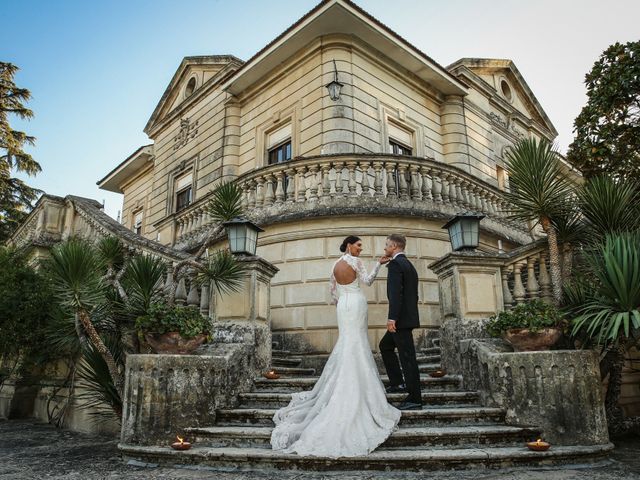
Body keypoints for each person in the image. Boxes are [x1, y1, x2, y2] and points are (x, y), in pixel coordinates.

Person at [270, 235, 401, 458]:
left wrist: (342, 301)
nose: (361, 248)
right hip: (357, 302)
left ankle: (341, 382)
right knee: (356, 343)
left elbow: (333, 291)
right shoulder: (355, 262)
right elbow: (367, 281)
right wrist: (378, 265)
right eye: (359, 245)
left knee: (347, 342)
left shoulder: (334, 264)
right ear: (349, 245)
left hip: (343, 306)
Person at [379, 234, 423, 410]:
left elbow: (396, 295)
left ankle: (415, 398)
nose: (385, 248)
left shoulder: (396, 265)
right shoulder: (409, 265)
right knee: (385, 346)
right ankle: (397, 382)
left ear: (395, 246)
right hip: (406, 317)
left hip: (400, 321)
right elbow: (413, 294)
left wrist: (392, 318)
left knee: (408, 359)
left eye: (387, 245)